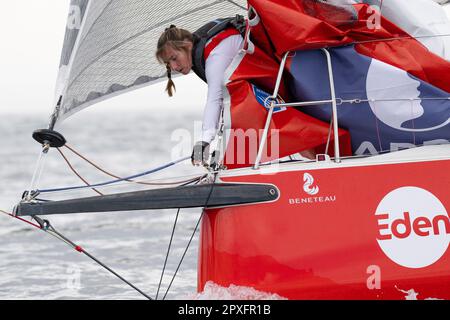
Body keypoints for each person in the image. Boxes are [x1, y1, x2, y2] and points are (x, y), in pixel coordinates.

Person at [155, 15, 246, 166]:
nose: (174, 67)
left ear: (187, 45)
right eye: (168, 63)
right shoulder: (201, 50)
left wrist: (204, 141)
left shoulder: (215, 53)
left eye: (174, 58)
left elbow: (215, 98)